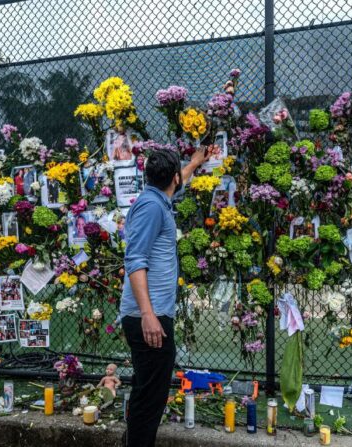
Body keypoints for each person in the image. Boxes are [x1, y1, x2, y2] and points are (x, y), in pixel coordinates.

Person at [120, 147, 208, 447]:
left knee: (147, 391)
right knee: (150, 399)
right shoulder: (152, 207)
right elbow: (135, 259)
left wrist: (194, 163)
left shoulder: (157, 198)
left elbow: (176, 183)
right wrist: (148, 314)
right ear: (171, 178)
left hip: (152, 314)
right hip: (149, 317)